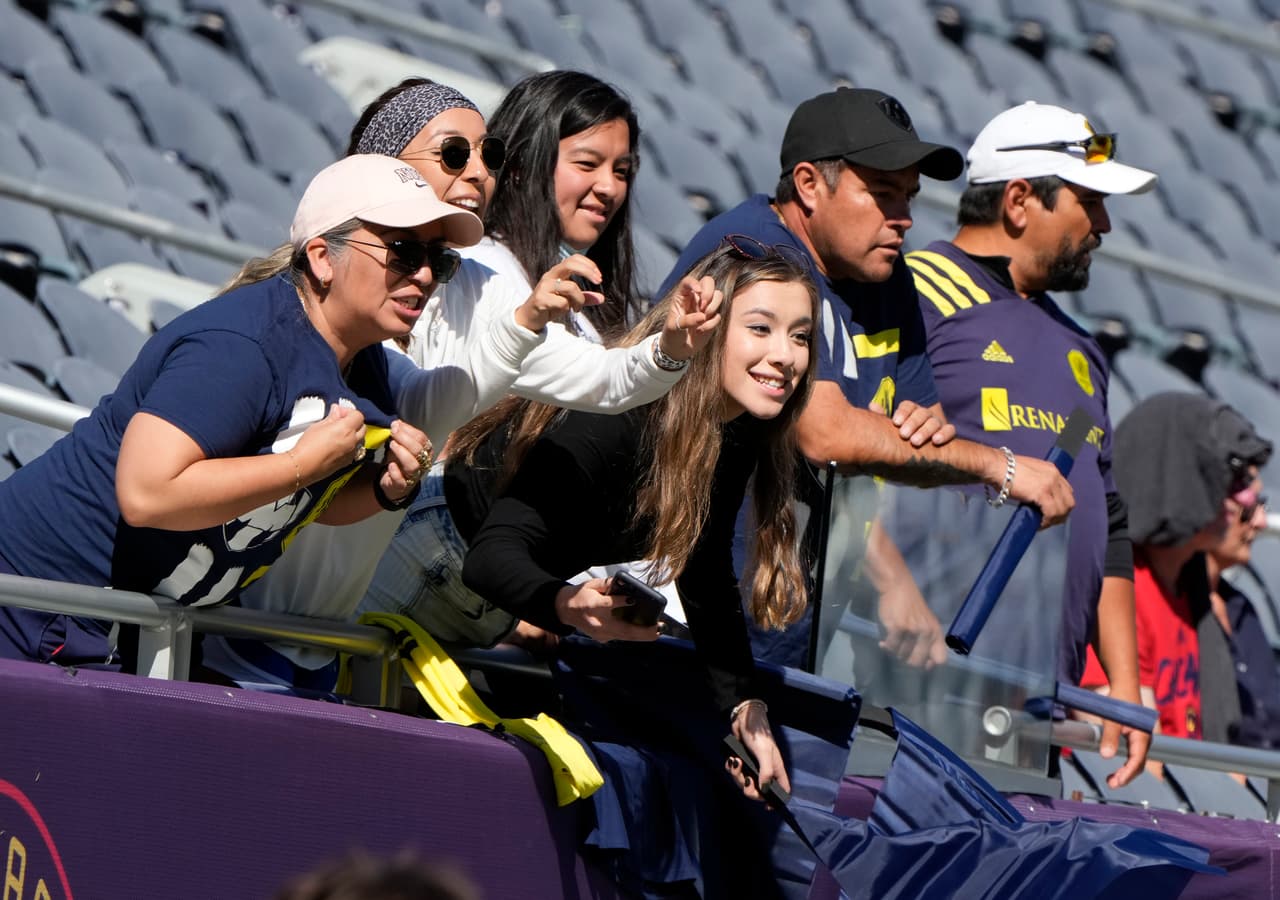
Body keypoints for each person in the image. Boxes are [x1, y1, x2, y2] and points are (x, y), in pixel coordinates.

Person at [213, 75, 713, 687]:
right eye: (455, 154)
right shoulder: (269, 314)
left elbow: (506, 389)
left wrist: (668, 346)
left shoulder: (483, 283)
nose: (478, 172)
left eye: (489, 156)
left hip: (322, 625)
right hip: (247, 611)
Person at [0, 154, 474, 667]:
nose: (425, 275)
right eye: (403, 252)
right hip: (29, 598)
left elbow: (300, 502)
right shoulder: (241, 346)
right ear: (321, 258)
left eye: (439, 259)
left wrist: (384, 492)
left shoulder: (362, 362)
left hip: (108, 624)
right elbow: (146, 492)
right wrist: (301, 466)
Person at [661, 88, 1075, 669]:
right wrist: (1001, 467)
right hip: (676, 622)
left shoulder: (886, 278)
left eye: (909, 195)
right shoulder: (755, 253)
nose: (903, 217)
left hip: (786, 625)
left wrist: (892, 577)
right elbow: (829, 436)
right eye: (882, 194)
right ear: (808, 185)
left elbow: (915, 433)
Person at [356, 71, 720, 650]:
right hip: (413, 539)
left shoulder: (529, 282)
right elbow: (451, 437)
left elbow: (601, 382)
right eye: (587, 163)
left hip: (472, 569)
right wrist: (530, 601)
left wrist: (670, 347)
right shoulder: (487, 267)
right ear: (527, 164)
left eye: (622, 171)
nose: (608, 187)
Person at [455, 241, 817, 802]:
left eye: (800, 335)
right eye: (761, 328)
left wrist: (745, 709)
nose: (786, 355)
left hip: (506, 601)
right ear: (706, 328)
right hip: (434, 562)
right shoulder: (623, 417)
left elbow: (704, 568)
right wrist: (568, 605)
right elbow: (488, 555)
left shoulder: (733, 427)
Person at [903, 101, 1157, 787]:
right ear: (1019, 200)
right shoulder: (913, 296)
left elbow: (1108, 520)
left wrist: (1126, 687)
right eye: (1089, 202)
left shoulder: (1083, 349)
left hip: (1035, 713)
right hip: (916, 691)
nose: (1102, 226)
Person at [1082, 393, 1273, 752]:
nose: (1259, 521)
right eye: (1239, 496)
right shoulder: (1121, 588)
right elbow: (1134, 759)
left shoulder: (1196, 596)